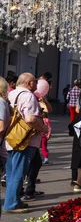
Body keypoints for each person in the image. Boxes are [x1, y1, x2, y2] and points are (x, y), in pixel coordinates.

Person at [5, 73, 48, 213]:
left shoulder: (10, 94)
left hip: (11, 138)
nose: (37, 85)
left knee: (12, 172)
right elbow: (30, 119)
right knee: (19, 172)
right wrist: (43, 128)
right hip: (24, 140)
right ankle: (11, 204)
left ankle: (15, 201)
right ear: (29, 83)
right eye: (35, 82)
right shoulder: (28, 96)